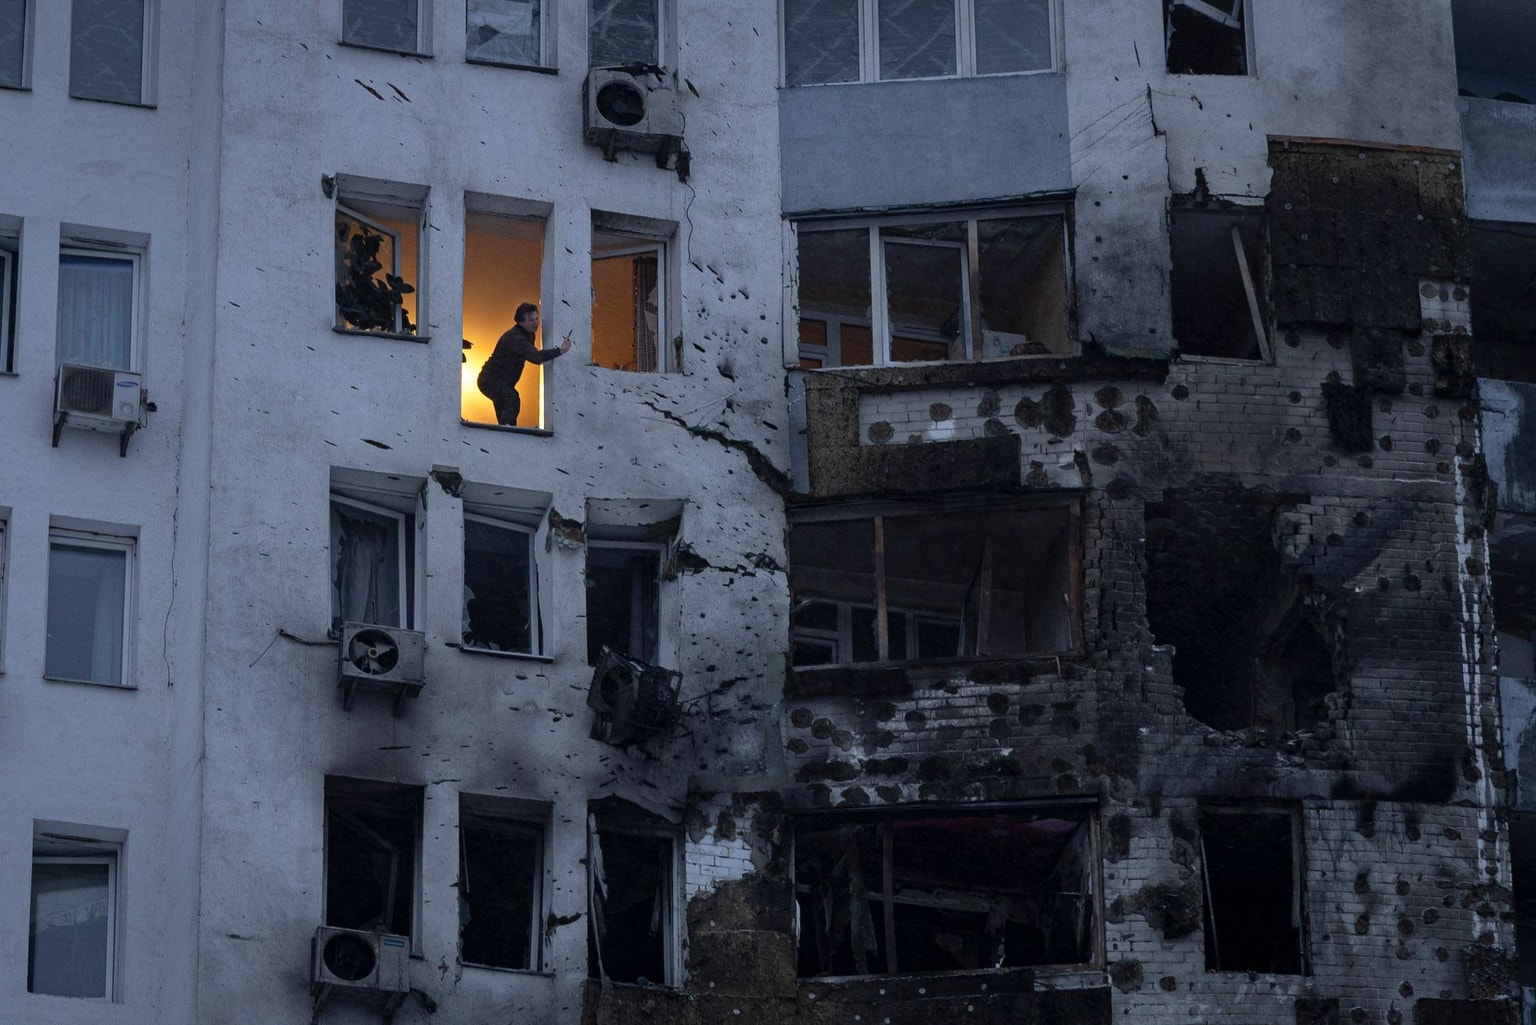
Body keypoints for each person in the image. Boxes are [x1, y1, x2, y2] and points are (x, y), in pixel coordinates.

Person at [476, 302, 572, 426]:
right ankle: (508, 432)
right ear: (520, 322)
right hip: (490, 380)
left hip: (497, 381)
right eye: (531, 320)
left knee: (505, 403)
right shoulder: (516, 338)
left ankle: (505, 432)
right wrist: (560, 351)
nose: (536, 323)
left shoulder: (527, 335)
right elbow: (536, 357)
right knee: (512, 398)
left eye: (537, 318)